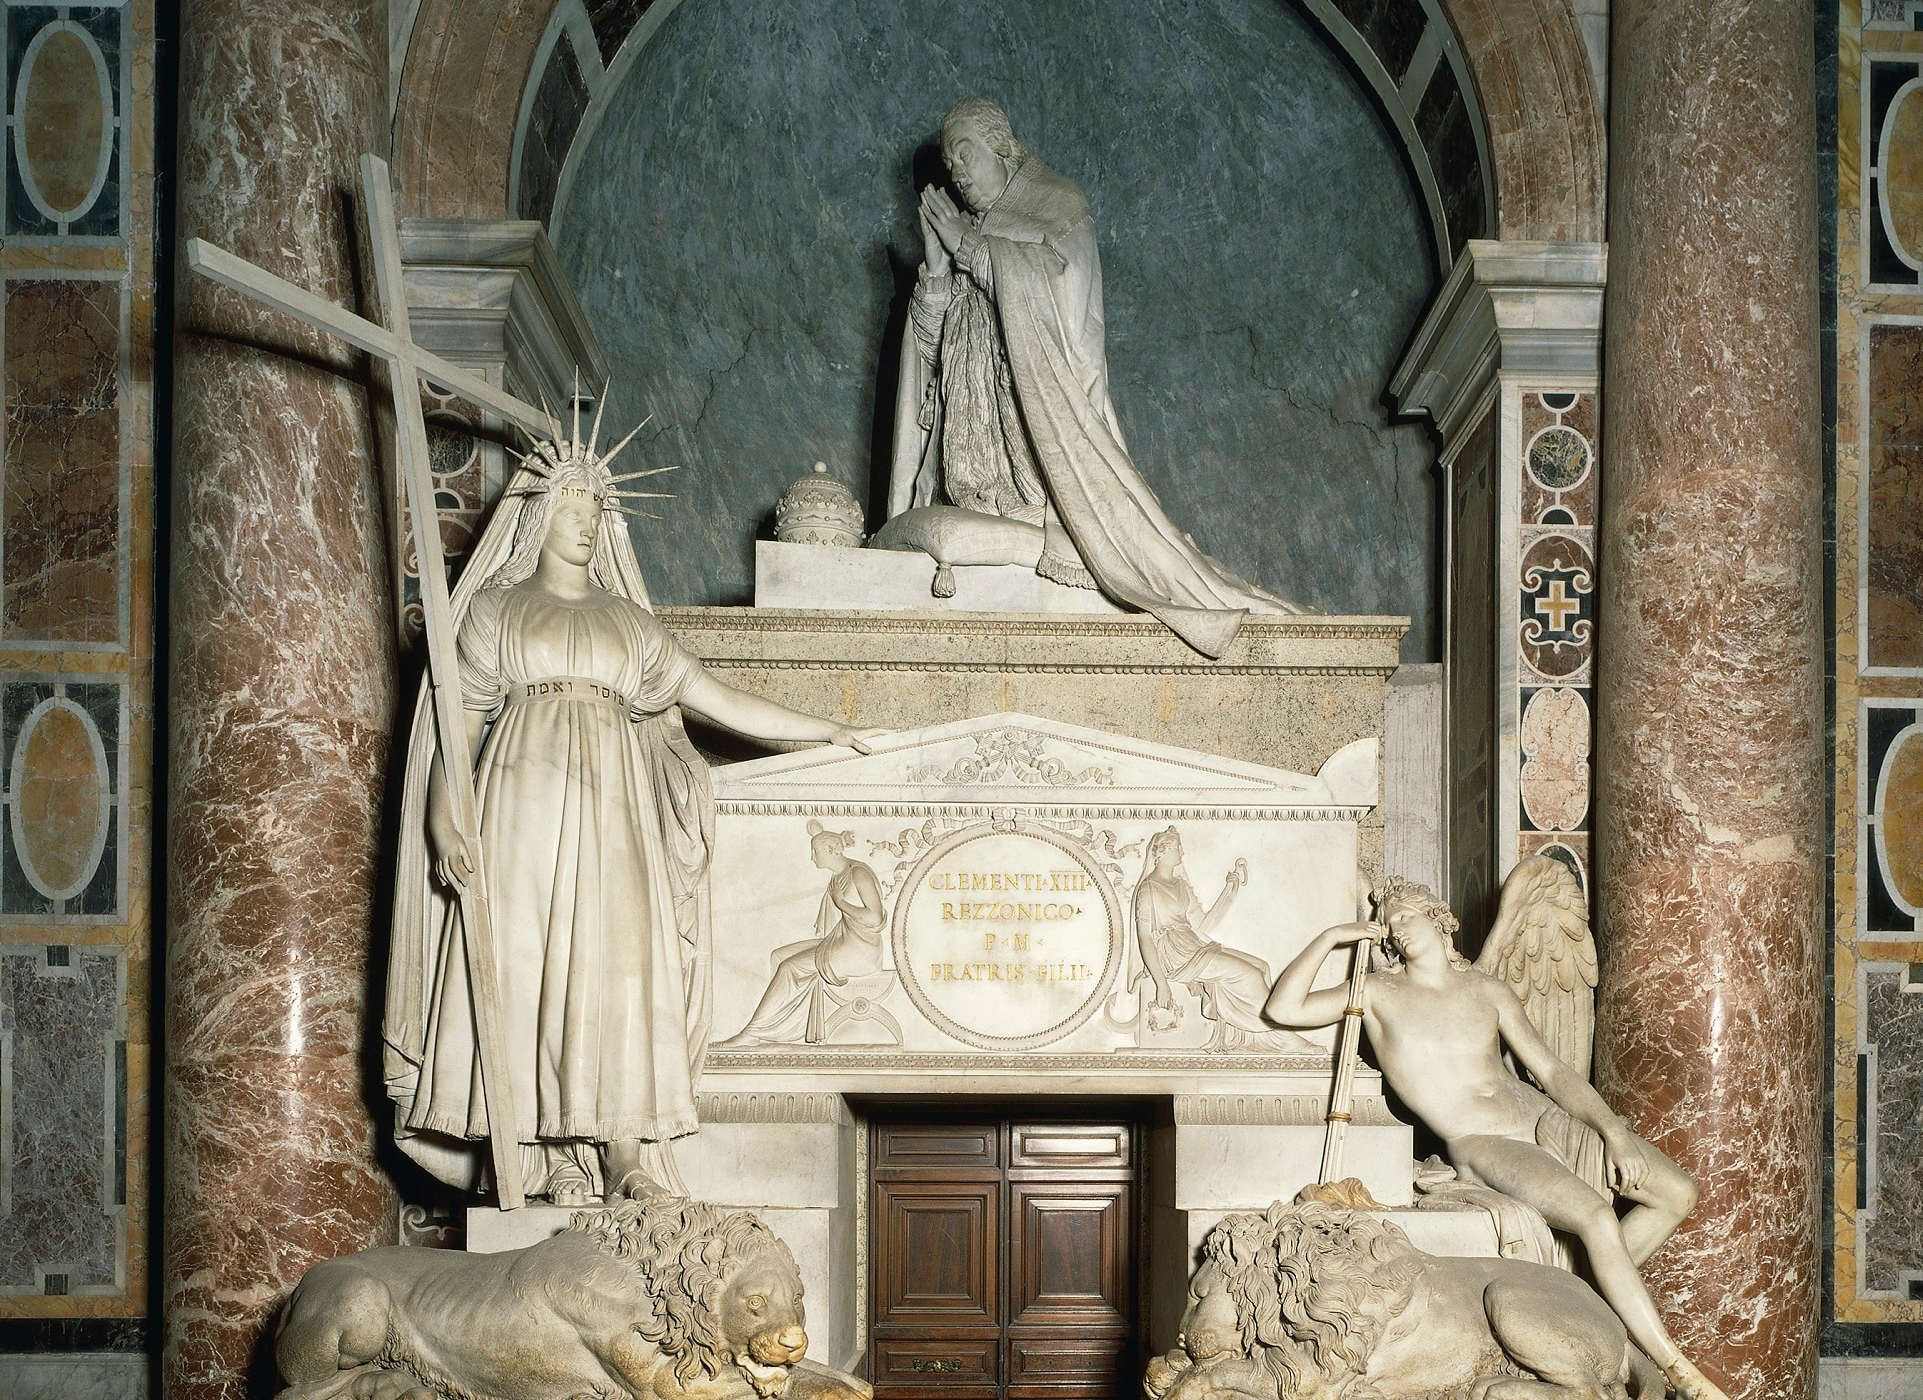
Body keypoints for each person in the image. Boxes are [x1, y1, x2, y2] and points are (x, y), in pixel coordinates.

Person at [384, 424, 889, 1203]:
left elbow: (714, 697)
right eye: (571, 503)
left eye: (596, 506)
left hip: (613, 812)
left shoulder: (630, 624)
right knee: (527, 970)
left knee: (617, 971)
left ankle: (622, 1149)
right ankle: (536, 1154)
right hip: (518, 808)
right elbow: (453, 736)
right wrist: (448, 824)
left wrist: (821, 727)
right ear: (539, 514)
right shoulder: (494, 611)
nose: (585, 518)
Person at [1263, 876, 1744, 1400]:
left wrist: (1611, 1129)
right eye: (1389, 922)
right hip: (1482, 1143)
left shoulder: (1488, 991)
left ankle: (1581, 1297)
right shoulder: (1378, 993)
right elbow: (1285, 1007)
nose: (1396, 927)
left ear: (1438, 920)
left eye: (1406, 915)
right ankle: (1681, 1371)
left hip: (1543, 1118)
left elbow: (1553, 1073)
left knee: (1677, 1193)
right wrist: (1333, 937)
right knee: (1593, 1215)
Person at [881, 97, 1301, 658]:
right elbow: (930, 356)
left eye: (966, 153)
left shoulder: (1056, 207)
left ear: (1001, 148)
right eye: (949, 161)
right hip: (964, 463)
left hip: (1035, 462)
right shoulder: (963, 233)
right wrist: (936, 269)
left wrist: (973, 249)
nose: (956, 170)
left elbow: (1064, 310)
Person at [717, 825, 891, 1047]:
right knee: (779, 956)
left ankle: (753, 1033)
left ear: (830, 850)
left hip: (860, 951)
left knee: (790, 968)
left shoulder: (859, 873)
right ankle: (782, 1026)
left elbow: (875, 918)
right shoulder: (837, 878)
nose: (812, 857)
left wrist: (841, 903)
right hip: (843, 941)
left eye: (815, 851)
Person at [1131, 828, 1272, 1049]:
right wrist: (1161, 983)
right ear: (1164, 851)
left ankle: (1254, 1036)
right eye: (1178, 847)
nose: (1182, 852)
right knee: (1250, 974)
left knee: (1261, 967)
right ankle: (1276, 1032)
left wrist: (1230, 890)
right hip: (1175, 954)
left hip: (1194, 946)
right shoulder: (1148, 890)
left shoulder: (1181, 886)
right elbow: (1145, 938)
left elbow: (1204, 923)